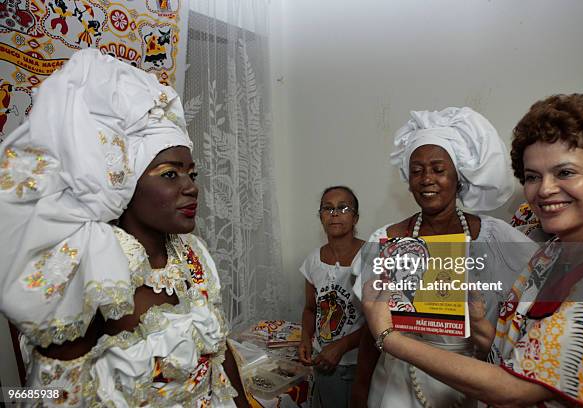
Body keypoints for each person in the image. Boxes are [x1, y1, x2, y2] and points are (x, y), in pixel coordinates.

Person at [0, 50, 248, 407]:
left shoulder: (193, 253)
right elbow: (51, 395)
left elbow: (218, 358)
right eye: (170, 174)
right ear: (123, 184)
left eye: (192, 174)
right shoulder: (95, 269)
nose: (191, 186)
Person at [362, 94, 583, 407]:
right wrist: (489, 336)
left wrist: (389, 337)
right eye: (533, 176)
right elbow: (535, 347)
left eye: (565, 172)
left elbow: (512, 389)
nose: (545, 189)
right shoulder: (550, 256)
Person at [350, 107, 538, 408]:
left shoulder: (495, 238)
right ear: (408, 179)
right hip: (396, 383)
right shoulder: (386, 240)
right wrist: (360, 386)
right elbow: (370, 325)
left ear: (458, 176)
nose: (427, 179)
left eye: (438, 169)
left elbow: (535, 310)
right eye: (417, 170)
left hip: (468, 380)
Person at [298, 186, 365, 408]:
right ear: (321, 217)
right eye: (328, 208)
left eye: (343, 208)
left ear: (355, 217)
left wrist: (341, 346)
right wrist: (306, 338)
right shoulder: (313, 260)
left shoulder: (371, 258)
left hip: (358, 362)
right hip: (323, 361)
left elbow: (382, 322)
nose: (334, 213)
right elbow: (310, 308)